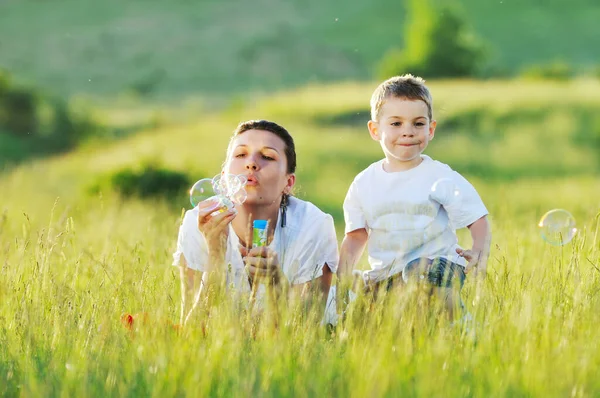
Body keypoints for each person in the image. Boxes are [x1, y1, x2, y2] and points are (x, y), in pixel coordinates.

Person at [337, 74, 491, 320]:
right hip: (388, 276)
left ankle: (460, 326)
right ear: (375, 130)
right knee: (359, 312)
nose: (408, 132)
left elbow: (477, 217)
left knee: (420, 271)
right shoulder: (363, 183)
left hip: (439, 267)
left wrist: (479, 254)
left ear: (431, 129)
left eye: (418, 124)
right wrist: (341, 278)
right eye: (396, 124)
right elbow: (355, 236)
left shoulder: (439, 175)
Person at [172, 120, 339, 326]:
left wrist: (276, 285)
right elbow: (191, 333)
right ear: (224, 178)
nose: (250, 163)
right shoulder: (198, 223)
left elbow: (307, 331)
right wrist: (216, 256)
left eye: (267, 156)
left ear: (288, 183)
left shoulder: (313, 225)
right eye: (241, 154)